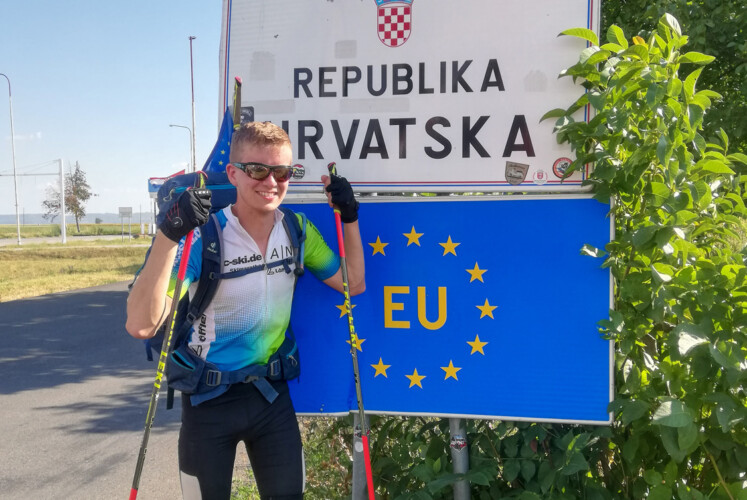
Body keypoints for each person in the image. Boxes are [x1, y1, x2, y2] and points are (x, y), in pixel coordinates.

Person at [126, 121, 365, 499]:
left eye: (282, 172)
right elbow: (142, 324)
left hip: (270, 397)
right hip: (207, 401)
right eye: (257, 170)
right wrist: (170, 233)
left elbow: (353, 283)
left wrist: (349, 216)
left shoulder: (297, 231)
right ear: (234, 173)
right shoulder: (204, 237)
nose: (271, 182)